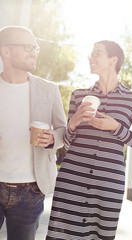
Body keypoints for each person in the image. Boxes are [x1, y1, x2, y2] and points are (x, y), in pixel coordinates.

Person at [46, 40, 132, 239]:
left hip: (108, 185)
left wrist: (116, 128)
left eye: (96, 53)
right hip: (71, 180)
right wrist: (73, 123)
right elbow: (66, 143)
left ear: (113, 59)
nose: (90, 58)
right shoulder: (78, 95)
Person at [0, 25, 67, 240]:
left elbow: (63, 131)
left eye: (35, 47)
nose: (34, 51)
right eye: (27, 46)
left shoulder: (48, 89)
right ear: (6, 51)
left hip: (30, 190)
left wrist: (51, 140)